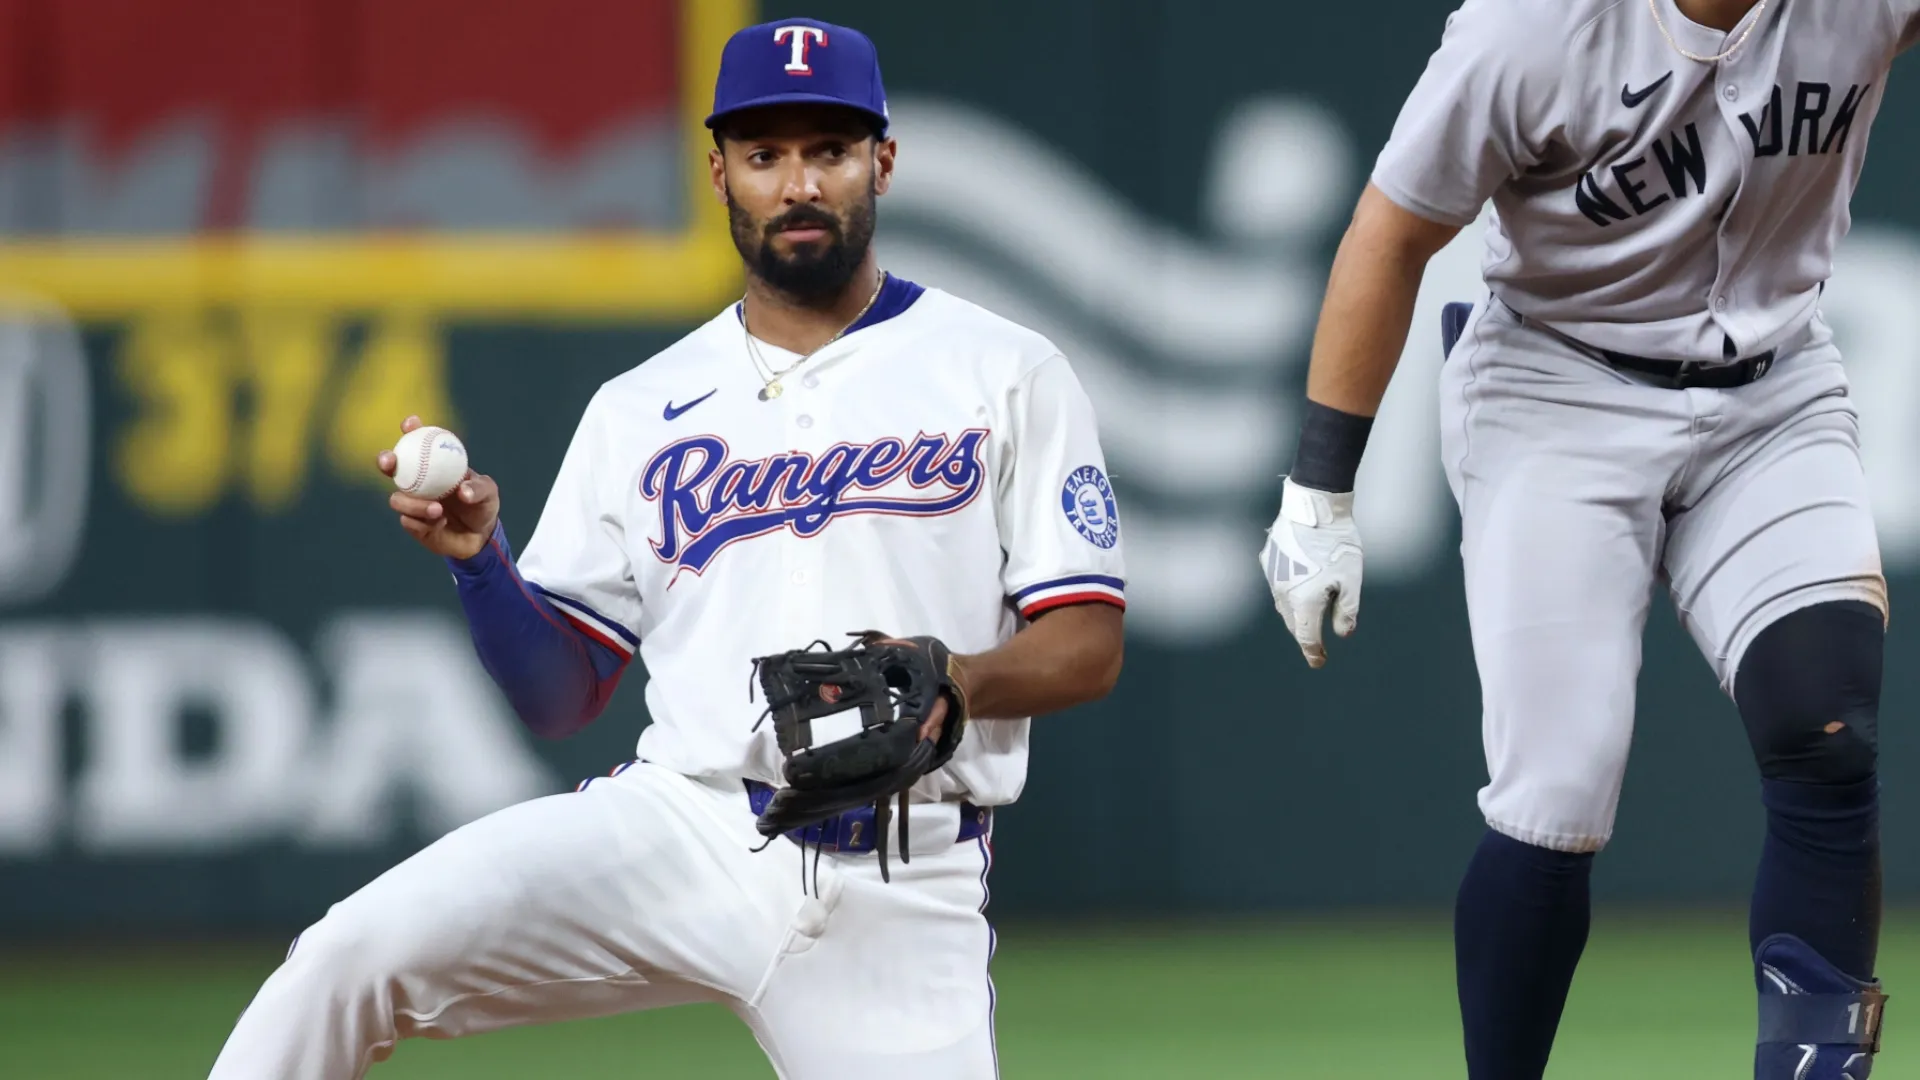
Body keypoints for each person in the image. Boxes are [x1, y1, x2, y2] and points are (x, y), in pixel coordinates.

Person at [206, 17, 1126, 1079]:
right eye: (763, 154)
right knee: (346, 957)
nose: (796, 185)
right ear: (719, 171)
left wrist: (959, 680)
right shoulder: (640, 409)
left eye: (827, 151)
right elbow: (563, 694)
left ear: (882, 158)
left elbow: (1087, 645)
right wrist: (480, 560)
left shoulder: (1004, 370)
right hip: (684, 828)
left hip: (901, 875)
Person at [1257, 1, 1919, 1077]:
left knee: (1826, 726)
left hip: (1774, 385)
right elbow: (1392, 232)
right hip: (1558, 387)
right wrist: (1318, 491)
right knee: (1555, 802)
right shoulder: (1531, 26)